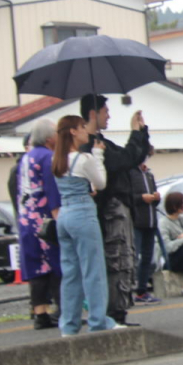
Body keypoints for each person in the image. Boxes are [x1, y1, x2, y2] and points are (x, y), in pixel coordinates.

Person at [79, 94, 151, 326]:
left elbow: (131, 157)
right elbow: (122, 160)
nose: (108, 116)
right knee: (116, 260)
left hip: (119, 209)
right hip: (109, 210)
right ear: (93, 113)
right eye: (105, 111)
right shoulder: (90, 146)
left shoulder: (102, 142)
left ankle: (118, 310)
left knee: (125, 258)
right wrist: (135, 134)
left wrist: (141, 132)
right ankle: (113, 312)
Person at [52, 115, 120, 335]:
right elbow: (100, 182)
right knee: (93, 269)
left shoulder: (58, 160)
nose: (85, 132)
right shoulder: (84, 158)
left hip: (64, 214)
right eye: (82, 127)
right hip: (83, 213)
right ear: (72, 131)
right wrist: (98, 154)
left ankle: (69, 325)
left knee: (71, 272)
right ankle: (98, 320)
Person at [17, 118, 62, 329]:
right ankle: (63, 310)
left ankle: (40, 313)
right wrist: (57, 215)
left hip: (27, 217)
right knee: (54, 264)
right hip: (44, 216)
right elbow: (52, 189)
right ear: (49, 138)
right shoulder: (48, 157)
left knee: (36, 265)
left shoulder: (26, 158)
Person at [128, 159, 162, 304]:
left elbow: (154, 201)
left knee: (147, 258)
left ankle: (142, 291)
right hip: (136, 221)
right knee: (133, 257)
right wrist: (141, 198)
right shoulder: (130, 172)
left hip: (150, 221)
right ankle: (127, 290)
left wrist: (156, 198)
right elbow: (128, 197)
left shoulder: (149, 174)